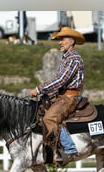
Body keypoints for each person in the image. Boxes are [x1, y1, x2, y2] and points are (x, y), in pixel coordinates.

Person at [29, 27, 85, 164]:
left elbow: (61, 81)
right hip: (62, 96)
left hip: (69, 97)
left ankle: (70, 148)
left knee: (49, 119)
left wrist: (39, 89)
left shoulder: (73, 59)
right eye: (59, 39)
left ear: (72, 42)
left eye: (63, 39)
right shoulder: (66, 58)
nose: (60, 42)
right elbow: (60, 83)